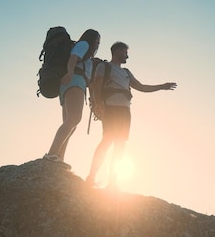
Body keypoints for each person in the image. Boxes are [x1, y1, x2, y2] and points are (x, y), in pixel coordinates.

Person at [86, 41, 176, 188]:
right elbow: (96, 85)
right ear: (117, 51)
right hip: (110, 108)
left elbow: (141, 87)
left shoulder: (126, 72)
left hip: (125, 111)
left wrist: (161, 86)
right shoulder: (104, 66)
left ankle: (112, 183)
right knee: (107, 141)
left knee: (120, 145)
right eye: (125, 52)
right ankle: (91, 177)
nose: (127, 55)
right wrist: (97, 104)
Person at [44, 29, 100, 170]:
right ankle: (51, 154)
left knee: (70, 124)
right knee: (74, 119)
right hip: (74, 80)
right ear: (93, 39)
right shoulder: (84, 44)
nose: (98, 44)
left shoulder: (85, 51)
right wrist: (70, 73)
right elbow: (73, 58)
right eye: (98, 40)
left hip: (71, 83)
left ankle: (58, 157)